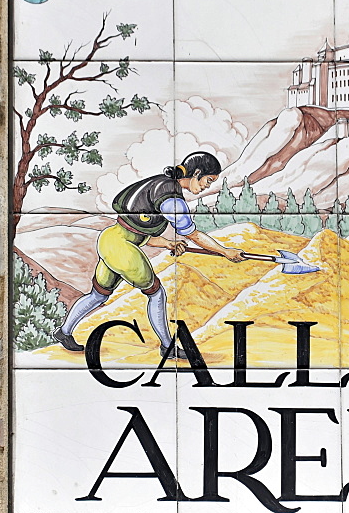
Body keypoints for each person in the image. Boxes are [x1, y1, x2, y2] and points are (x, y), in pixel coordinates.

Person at [53, 151, 245, 359]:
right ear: (197, 173)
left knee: (98, 294)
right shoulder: (172, 199)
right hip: (122, 247)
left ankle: (63, 332)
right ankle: (167, 347)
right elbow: (193, 234)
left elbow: (139, 232)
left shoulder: (160, 184)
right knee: (156, 293)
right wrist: (225, 251)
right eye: (208, 180)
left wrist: (168, 244)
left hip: (110, 239)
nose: (208, 185)